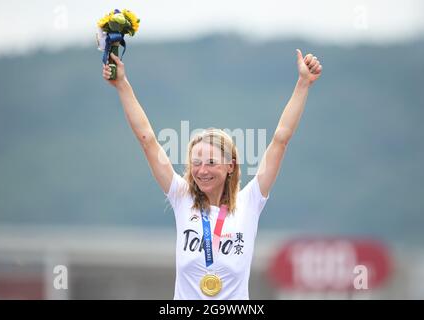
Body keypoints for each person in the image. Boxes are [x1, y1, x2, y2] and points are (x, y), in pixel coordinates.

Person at [102, 49, 322, 299]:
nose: (202, 170)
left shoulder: (250, 202)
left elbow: (281, 139)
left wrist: (303, 83)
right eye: (196, 162)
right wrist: (122, 84)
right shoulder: (181, 196)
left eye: (210, 162)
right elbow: (147, 139)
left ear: (231, 166)